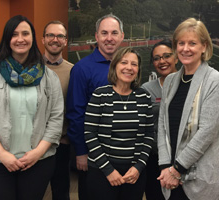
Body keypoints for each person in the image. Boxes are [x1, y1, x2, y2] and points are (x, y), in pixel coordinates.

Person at [0, 15, 63, 200]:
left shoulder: (49, 77)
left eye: (25, 33)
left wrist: (36, 153)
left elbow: (56, 119)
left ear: (33, 38)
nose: (20, 39)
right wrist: (2, 155)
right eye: (14, 34)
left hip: (38, 162)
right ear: (7, 39)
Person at [157, 18, 219, 200]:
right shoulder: (171, 81)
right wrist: (165, 166)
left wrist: (176, 170)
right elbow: (163, 126)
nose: (185, 48)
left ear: (204, 47)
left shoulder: (215, 81)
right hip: (170, 177)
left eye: (192, 43)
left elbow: (207, 132)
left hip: (198, 180)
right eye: (181, 43)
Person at [66, 13, 124, 199]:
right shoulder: (82, 69)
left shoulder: (128, 67)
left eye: (114, 33)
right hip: (93, 155)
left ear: (122, 36)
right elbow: (76, 113)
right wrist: (81, 152)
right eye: (104, 33)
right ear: (96, 36)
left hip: (122, 153)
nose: (109, 38)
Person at [84, 47, 154, 200]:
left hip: (134, 174)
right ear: (115, 66)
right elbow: (90, 135)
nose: (129, 67)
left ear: (138, 70)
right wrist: (109, 171)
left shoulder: (144, 97)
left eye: (134, 64)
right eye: (124, 62)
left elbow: (149, 135)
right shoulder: (100, 95)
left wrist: (138, 167)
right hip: (102, 172)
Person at [141, 39, 178, 200]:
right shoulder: (146, 89)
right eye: (156, 58)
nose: (162, 61)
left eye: (166, 56)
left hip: (181, 159)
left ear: (176, 57)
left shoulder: (188, 84)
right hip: (154, 158)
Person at [42, 20, 74, 200]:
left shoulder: (73, 71)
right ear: (43, 39)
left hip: (61, 143)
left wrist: (67, 138)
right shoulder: (29, 68)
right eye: (50, 35)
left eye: (60, 36)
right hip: (31, 144)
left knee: (61, 191)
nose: (55, 39)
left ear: (65, 41)